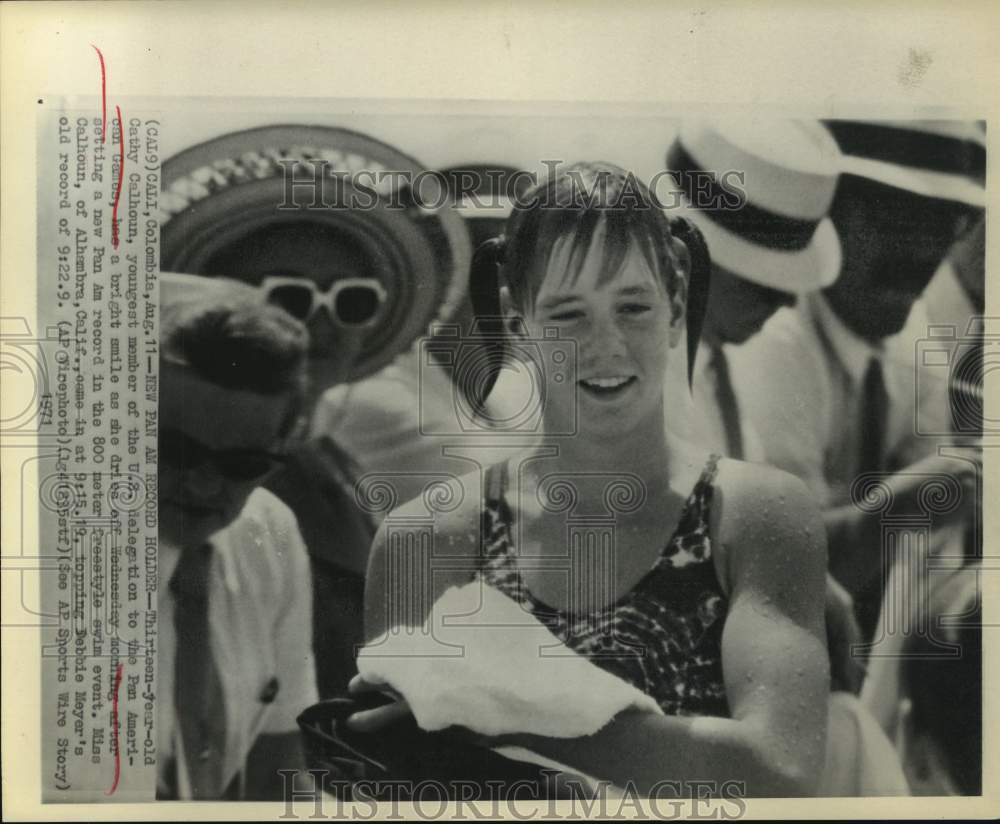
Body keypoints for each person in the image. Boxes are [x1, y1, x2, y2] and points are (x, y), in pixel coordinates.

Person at [346, 162, 831, 797]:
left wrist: (497, 716)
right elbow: (400, 787)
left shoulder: (755, 515)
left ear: (677, 302)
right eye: (569, 314)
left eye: (633, 306)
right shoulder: (429, 537)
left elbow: (782, 770)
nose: (607, 346)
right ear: (515, 318)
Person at [728, 120, 985, 640]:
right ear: (828, 209)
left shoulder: (904, 328)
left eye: (946, 223)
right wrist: (902, 505)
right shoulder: (774, 334)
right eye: (898, 219)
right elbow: (780, 582)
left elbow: (944, 520)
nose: (923, 252)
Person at [157, 276, 318, 799]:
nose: (203, 485)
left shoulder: (268, 532)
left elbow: (279, 767)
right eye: (176, 451)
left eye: (240, 464)